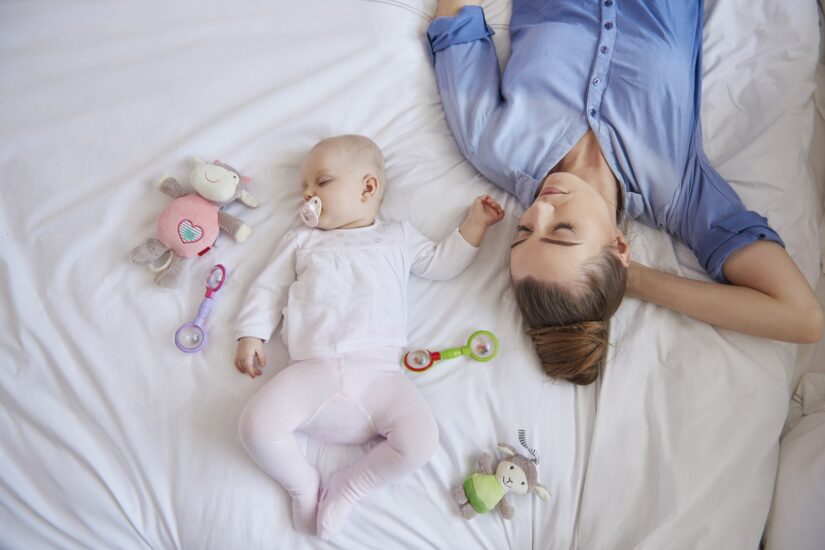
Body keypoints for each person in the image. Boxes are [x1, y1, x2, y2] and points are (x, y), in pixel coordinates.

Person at [428, 0, 823, 385]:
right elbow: (803, 318)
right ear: (619, 247)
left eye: (524, 231)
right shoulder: (678, 192)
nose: (541, 209)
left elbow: (454, 17)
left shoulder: (492, 144)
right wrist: (627, 280)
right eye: (562, 230)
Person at [232, 134, 504, 539]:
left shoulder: (397, 237)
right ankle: (302, 484)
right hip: (310, 370)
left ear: (368, 187)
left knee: (421, 442)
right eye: (304, 188)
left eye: (321, 183)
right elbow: (269, 288)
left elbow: (442, 263)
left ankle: (351, 485)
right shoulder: (302, 241)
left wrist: (475, 225)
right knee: (255, 427)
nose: (308, 195)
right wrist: (251, 333)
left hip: (379, 377)